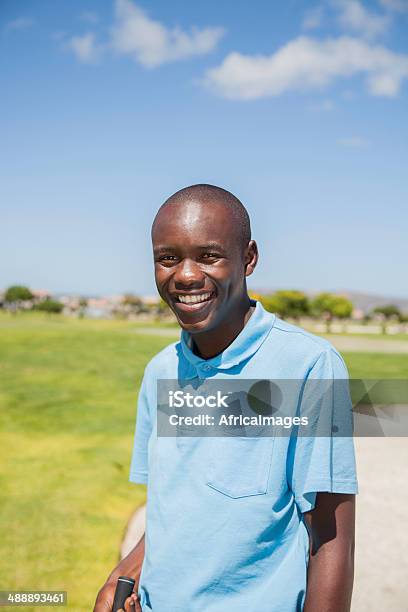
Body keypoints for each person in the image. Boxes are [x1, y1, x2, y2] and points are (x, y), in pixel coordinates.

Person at [94, 184, 358, 612]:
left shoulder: (309, 366)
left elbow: (331, 537)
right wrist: (125, 572)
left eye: (209, 255)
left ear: (249, 258)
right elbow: (171, 508)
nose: (185, 275)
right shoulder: (161, 371)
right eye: (168, 258)